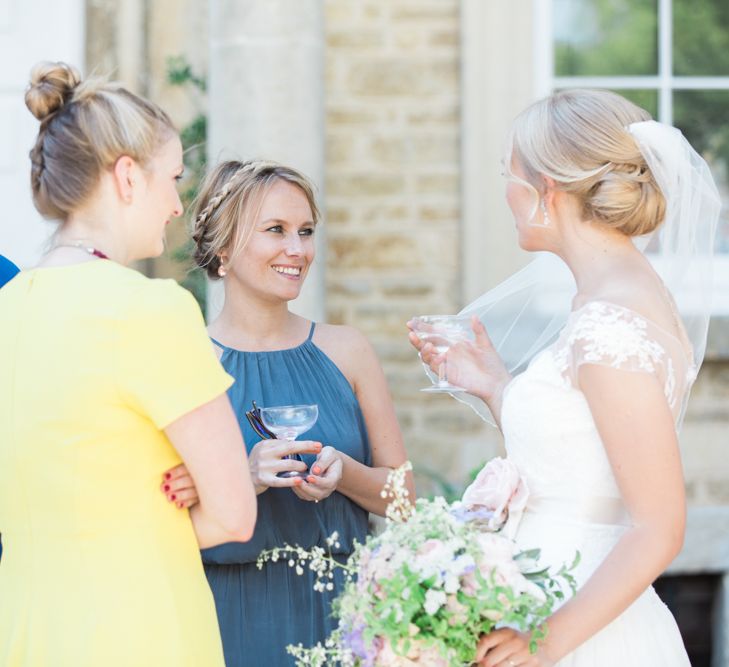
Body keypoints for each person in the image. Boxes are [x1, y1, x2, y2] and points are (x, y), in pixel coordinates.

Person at [410, 89, 720, 666]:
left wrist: (541, 644)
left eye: (509, 173)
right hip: (554, 599)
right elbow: (581, 459)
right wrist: (497, 385)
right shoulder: (609, 300)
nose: (504, 190)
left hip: (584, 630)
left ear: (546, 191)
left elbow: (659, 528)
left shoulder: (611, 325)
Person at [0, 62, 257, 666]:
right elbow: (235, 513)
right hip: (138, 631)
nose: (176, 203)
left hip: (26, 629)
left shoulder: (6, 308)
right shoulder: (152, 309)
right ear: (125, 178)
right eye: (171, 178)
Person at [177, 159, 412, 666]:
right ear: (222, 248)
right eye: (276, 231)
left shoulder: (348, 351)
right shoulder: (185, 362)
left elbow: (404, 499)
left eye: (305, 231)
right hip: (225, 623)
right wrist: (244, 479)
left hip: (342, 620)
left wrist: (345, 473)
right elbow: (155, 519)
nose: (298, 250)